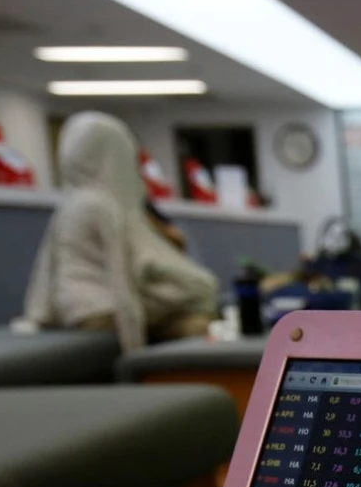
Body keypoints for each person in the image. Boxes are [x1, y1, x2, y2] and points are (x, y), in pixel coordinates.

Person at [21, 112, 217, 351]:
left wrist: (37, 314)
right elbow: (123, 276)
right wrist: (133, 345)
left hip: (75, 308)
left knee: (194, 314)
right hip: (103, 312)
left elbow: (44, 269)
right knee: (198, 308)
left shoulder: (71, 204)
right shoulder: (103, 206)